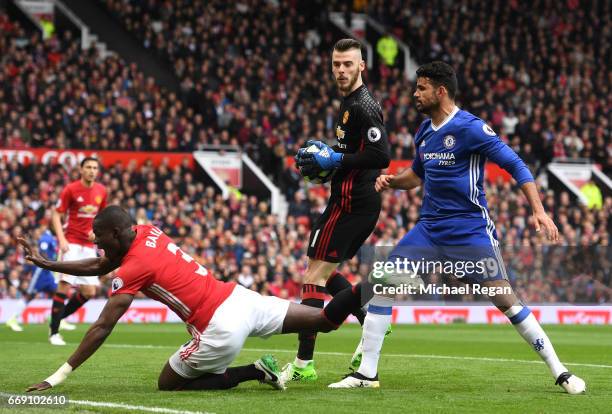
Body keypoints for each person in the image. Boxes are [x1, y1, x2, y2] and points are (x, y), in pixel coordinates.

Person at [328, 61, 586, 395]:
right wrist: (392, 181)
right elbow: (416, 175)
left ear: (441, 91)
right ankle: (367, 374)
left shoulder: (471, 129)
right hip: (429, 230)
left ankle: (560, 371)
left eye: (421, 88)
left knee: (504, 298)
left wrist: (539, 211)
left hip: (469, 231)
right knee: (385, 283)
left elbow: (516, 165)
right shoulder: (424, 131)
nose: (414, 93)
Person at [18, 206, 363, 392]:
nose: (97, 244)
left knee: (168, 383)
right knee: (322, 321)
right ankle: (372, 284)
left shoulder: (133, 266)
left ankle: (253, 371)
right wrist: (49, 263)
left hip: (218, 328)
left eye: (100, 238)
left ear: (117, 233)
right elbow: (99, 263)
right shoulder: (147, 231)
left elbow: (103, 325)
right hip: (240, 298)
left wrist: (59, 375)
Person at [285, 38, 391, 382]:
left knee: (313, 277)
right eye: (336, 64)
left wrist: (337, 159)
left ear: (362, 66)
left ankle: (304, 364)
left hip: (353, 203)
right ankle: (367, 316)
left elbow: (381, 156)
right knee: (319, 270)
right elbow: (351, 149)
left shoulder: (364, 105)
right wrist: (328, 158)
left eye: (348, 64)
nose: (341, 70)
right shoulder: (348, 102)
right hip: (343, 200)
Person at [49, 157, 108, 345]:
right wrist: (62, 239)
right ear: (81, 170)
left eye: (95, 168)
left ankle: (59, 318)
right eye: (88, 167)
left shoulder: (101, 191)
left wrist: (97, 232)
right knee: (65, 284)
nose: (92, 170)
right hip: (72, 243)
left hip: (89, 246)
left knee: (89, 291)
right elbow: (56, 214)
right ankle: (54, 332)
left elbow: (102, 217)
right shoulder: (71, 189)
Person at [5, 227, 58, 332]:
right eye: (37, 232)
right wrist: (52, 263)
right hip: (40, 272)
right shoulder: (43, 240)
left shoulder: (48, 238)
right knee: (29, 296)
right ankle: (12, 319)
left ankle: (57, 318)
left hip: (48, 273)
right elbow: (42, 253)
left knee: (58, 293)